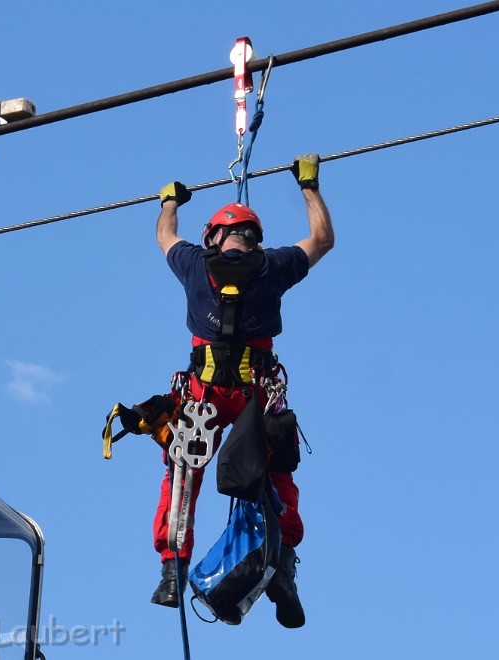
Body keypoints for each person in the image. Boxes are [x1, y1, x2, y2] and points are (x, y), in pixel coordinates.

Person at [150, 154, 334, 628]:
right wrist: (308, 185)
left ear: (212, 235)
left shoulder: (193, 263)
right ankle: (283, 570)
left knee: (183, 476)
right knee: (275, 479)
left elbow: (164, 235)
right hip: (258, 394)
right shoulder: (273, 265)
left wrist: (171, 200)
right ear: (255, 239)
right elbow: (322, 240)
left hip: (203, 393)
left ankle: (173, 571)